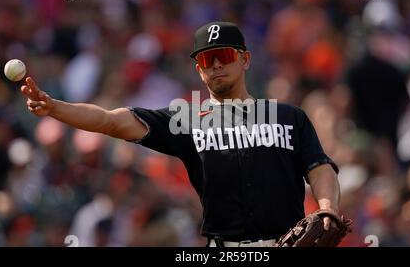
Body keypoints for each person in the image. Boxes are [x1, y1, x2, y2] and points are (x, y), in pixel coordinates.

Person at [20, 21, 341, 247]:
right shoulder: (187, 121)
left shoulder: (288, 117)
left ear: (245, 59)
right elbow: (111, 121)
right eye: (206, 59)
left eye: (224, 56)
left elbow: (319, 167)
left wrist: (326, 207)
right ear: (198, 70)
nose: (215, 65)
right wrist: (55, 107)